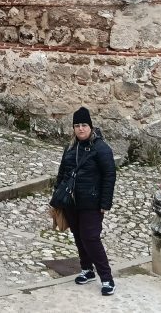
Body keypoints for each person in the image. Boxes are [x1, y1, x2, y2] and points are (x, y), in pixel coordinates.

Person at [56, 106, 117, 296]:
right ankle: (87, 269)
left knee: (91, 237)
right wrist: (58, 195)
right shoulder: (70, 147)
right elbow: (62, 172)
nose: (81, 129)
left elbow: (109, 176)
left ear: (90, 126)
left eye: (84, 125)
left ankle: (106, 278)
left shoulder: (101, 148)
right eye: (77, 125)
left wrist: (105, 204)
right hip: (72, 202)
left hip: (92, 202)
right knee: (78, 235)